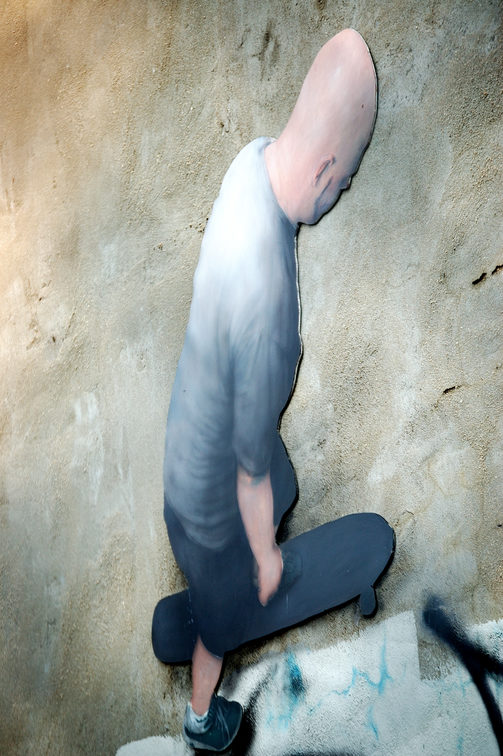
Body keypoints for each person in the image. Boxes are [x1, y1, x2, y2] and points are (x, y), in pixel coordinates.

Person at [162, 28, 377, 752]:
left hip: (192, 431)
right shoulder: (268, 311)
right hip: (210, 503)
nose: (340, 193)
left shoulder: (252, 158)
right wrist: (265, 555)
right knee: (222, 619)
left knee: (278, 482)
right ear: (323, 169)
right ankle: (201, 719)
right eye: (344, 180)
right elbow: (250, 471)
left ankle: (230, 567)